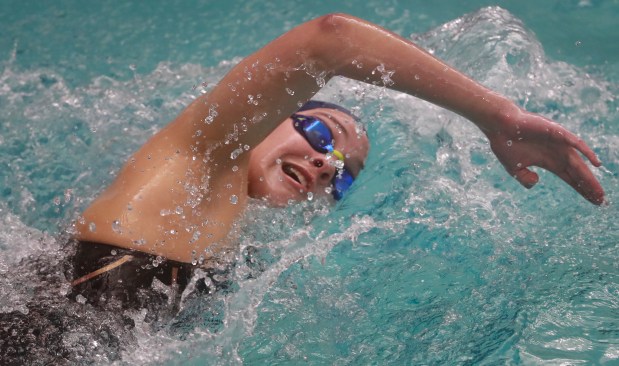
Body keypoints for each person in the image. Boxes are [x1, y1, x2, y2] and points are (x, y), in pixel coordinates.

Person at [70, 13, 605, 308]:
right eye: (323, 134)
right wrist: (497, 116)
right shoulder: (200, 163)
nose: (327, 165)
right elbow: (331, 40)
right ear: (268, 120)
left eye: (345, 176)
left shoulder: (235, 260)